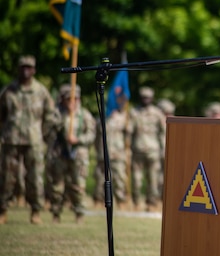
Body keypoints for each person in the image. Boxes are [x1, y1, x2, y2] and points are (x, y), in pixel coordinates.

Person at [0, 55, 59, 224]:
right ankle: (3, 210)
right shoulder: (8, 91)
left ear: (34, 70)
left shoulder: (41, 91)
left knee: (35, 178)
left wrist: (42, 132)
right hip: (11, 140)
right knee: (7, 177)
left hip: (34, 141)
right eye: (22, 67)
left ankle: (35, 211)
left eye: (29, 67)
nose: (26, 70)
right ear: (18, 69)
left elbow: (50, 115)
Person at [47, 84, 96, 223]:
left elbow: (91, 135)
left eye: (75, 99)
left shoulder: (84, 115)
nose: (72, 102)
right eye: (69, 99)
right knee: (57, 185)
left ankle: (79, 213)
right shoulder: (58, 114)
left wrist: (78, 139)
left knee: (78, 185)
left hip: (78, 155)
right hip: (60, 153)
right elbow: (49, 130)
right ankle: (56, 213)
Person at [93, 89, 133, 210]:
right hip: (104, 153)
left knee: (120, 178)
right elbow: (97, 137)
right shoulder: (103, 117)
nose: (121, 102)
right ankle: (98, 201)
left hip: (118, 153)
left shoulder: (125, 118)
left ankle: (121, 202)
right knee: (101, 179)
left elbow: (129, 136)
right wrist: (98, 150)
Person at [130, 86, 166, 212]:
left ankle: (151, 203)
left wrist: (163, 149)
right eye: (143, 97)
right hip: (138, 150)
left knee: (153, 179)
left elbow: (163, 132)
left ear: (152, 98)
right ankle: (136, 202)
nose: (146, 100)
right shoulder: (134, 112)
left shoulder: (157, 113)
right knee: (136, 179)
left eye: (148, 98)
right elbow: (129, 132)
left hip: (153, 151)